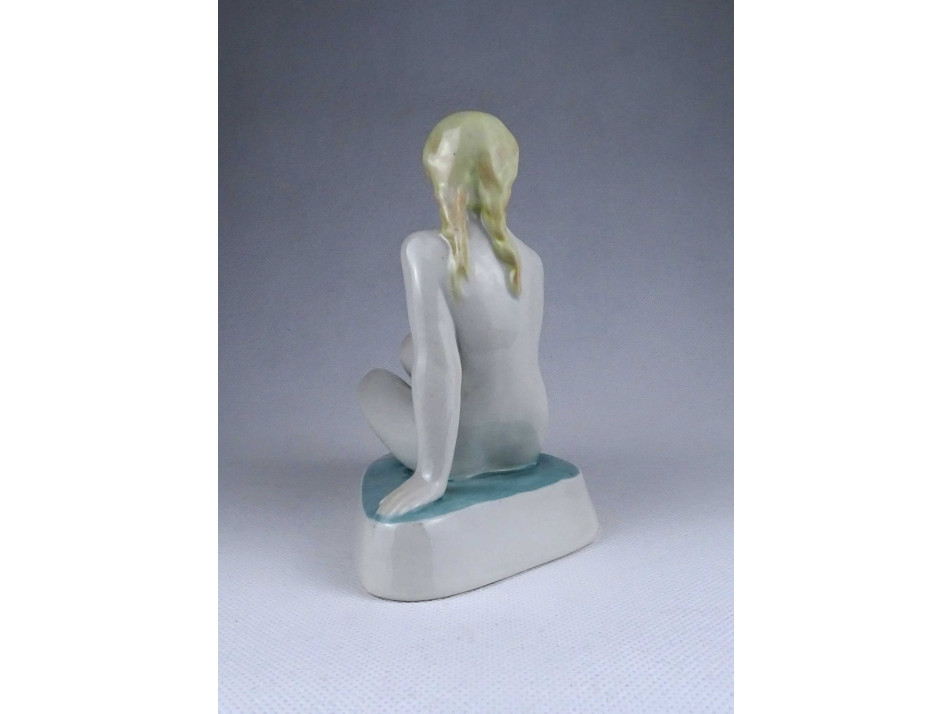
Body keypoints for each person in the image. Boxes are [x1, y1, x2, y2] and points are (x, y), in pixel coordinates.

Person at [358, 112, 548, 518]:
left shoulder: (426, 252)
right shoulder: (531, 261)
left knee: (373, 384)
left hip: (463, 449)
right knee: (409, 348)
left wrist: (431, 476)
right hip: (527, 438)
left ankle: (445, 465)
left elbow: (441, 366)